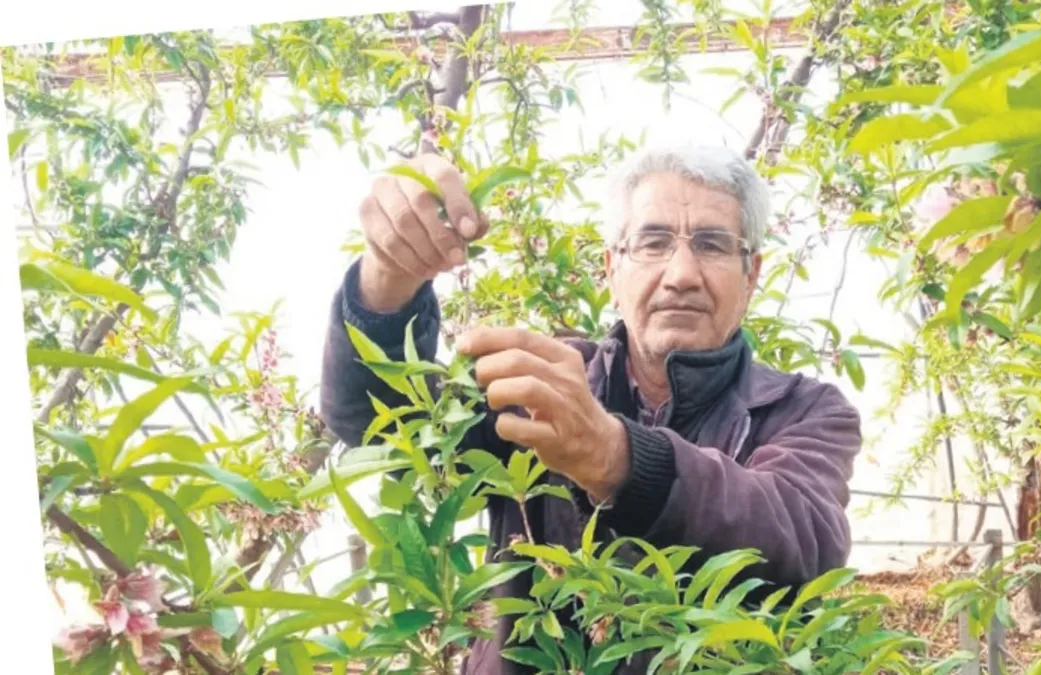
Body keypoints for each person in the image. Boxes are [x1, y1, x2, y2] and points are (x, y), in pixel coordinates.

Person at [319, 144, 862, 674]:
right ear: (611, 270)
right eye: (652, 242)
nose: (681, 273)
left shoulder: (804, 410)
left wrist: (618, 457)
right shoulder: (544, 384)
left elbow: (803, 537)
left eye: (713, 245)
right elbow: (378, 422)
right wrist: (387, 278)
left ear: (751, 276)